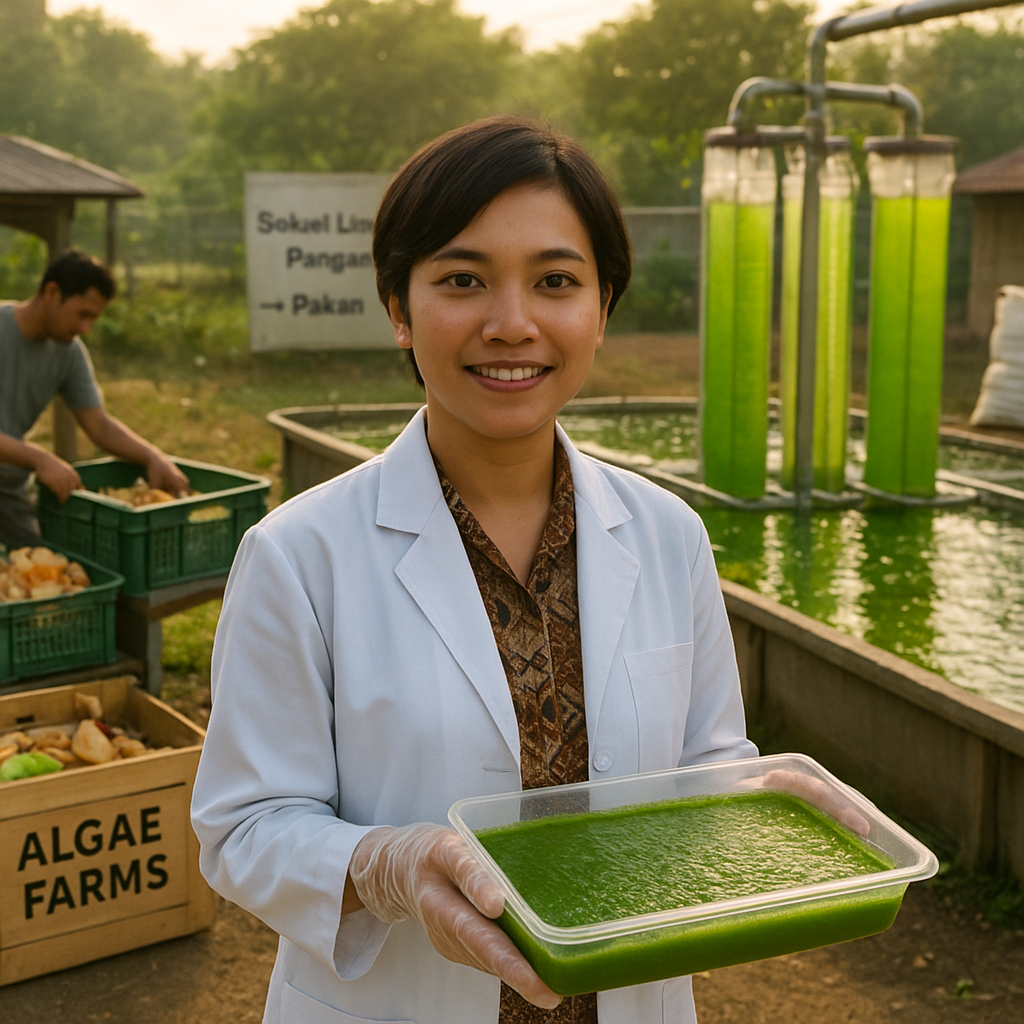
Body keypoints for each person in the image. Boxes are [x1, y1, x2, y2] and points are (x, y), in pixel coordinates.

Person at [191, 115, 757, 1024]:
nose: (511, 323)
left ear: (602, 307)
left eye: (556, 282)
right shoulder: (301, 555)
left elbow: (710, 766)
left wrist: (762, 805)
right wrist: (388, 869)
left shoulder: (668, 534)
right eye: (462, 280)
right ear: (398, 309)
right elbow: (243, 828)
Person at [0, 248, 189, 548]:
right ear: (52, 292)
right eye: (83, 315)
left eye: (93, 319)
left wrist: (153, 456)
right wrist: (40, 458)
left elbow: (98, 425)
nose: (86, 328)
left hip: (9, 487)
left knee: (36, 567)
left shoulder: (69, 352)